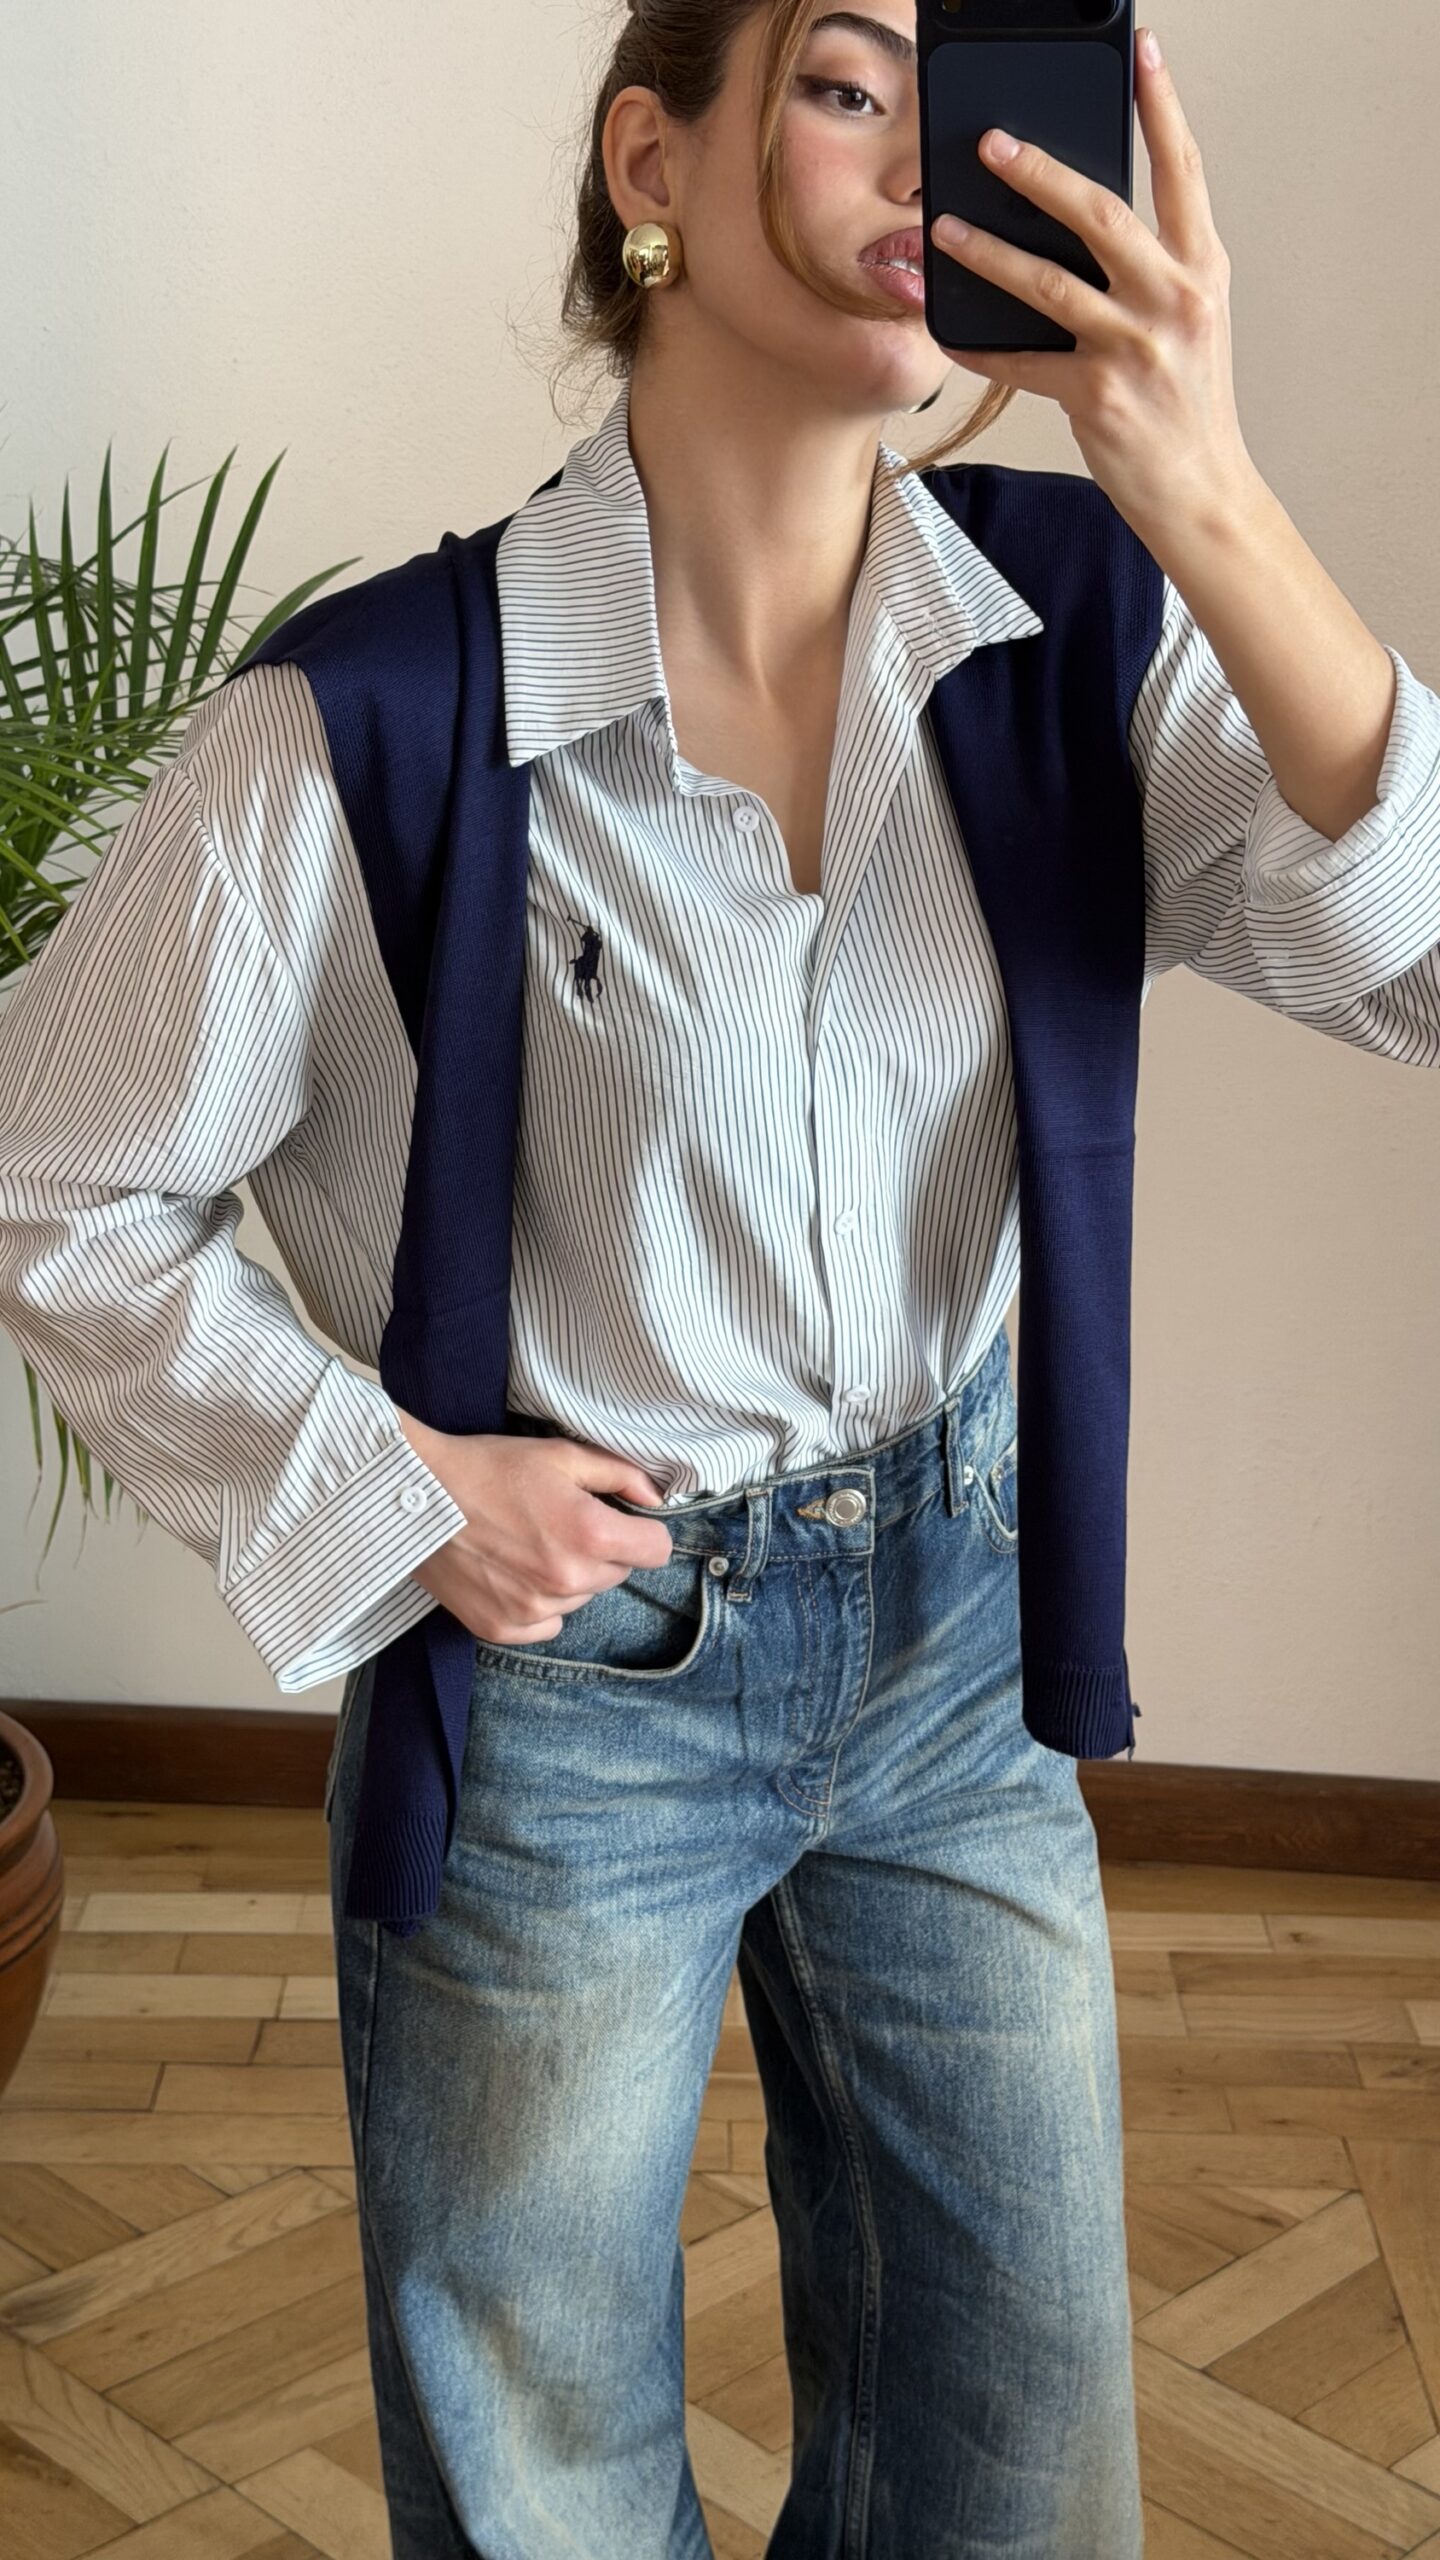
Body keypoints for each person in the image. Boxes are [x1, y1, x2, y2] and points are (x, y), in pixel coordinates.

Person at [3, 5, 1438, 2555]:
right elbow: (49, 1176)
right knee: (542, 2484)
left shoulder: (1084, 627)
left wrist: (1204, 482)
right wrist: (395, 1486)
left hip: (964, 1643)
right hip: (572, 1692)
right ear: (652, 159)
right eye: (853, 82)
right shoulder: (380, 713)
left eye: (964, 95)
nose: (926, 165)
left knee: (1018, 2477)